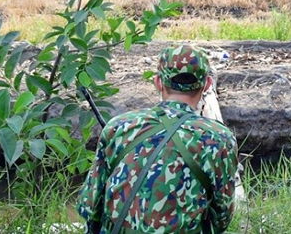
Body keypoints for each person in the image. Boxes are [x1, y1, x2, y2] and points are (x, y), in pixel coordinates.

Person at [78, 45, 239, 234]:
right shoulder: (218, 138)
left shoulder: (119, 127)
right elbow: (221, 218)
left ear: (158, 82)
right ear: (207, 84)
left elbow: (89, 206)